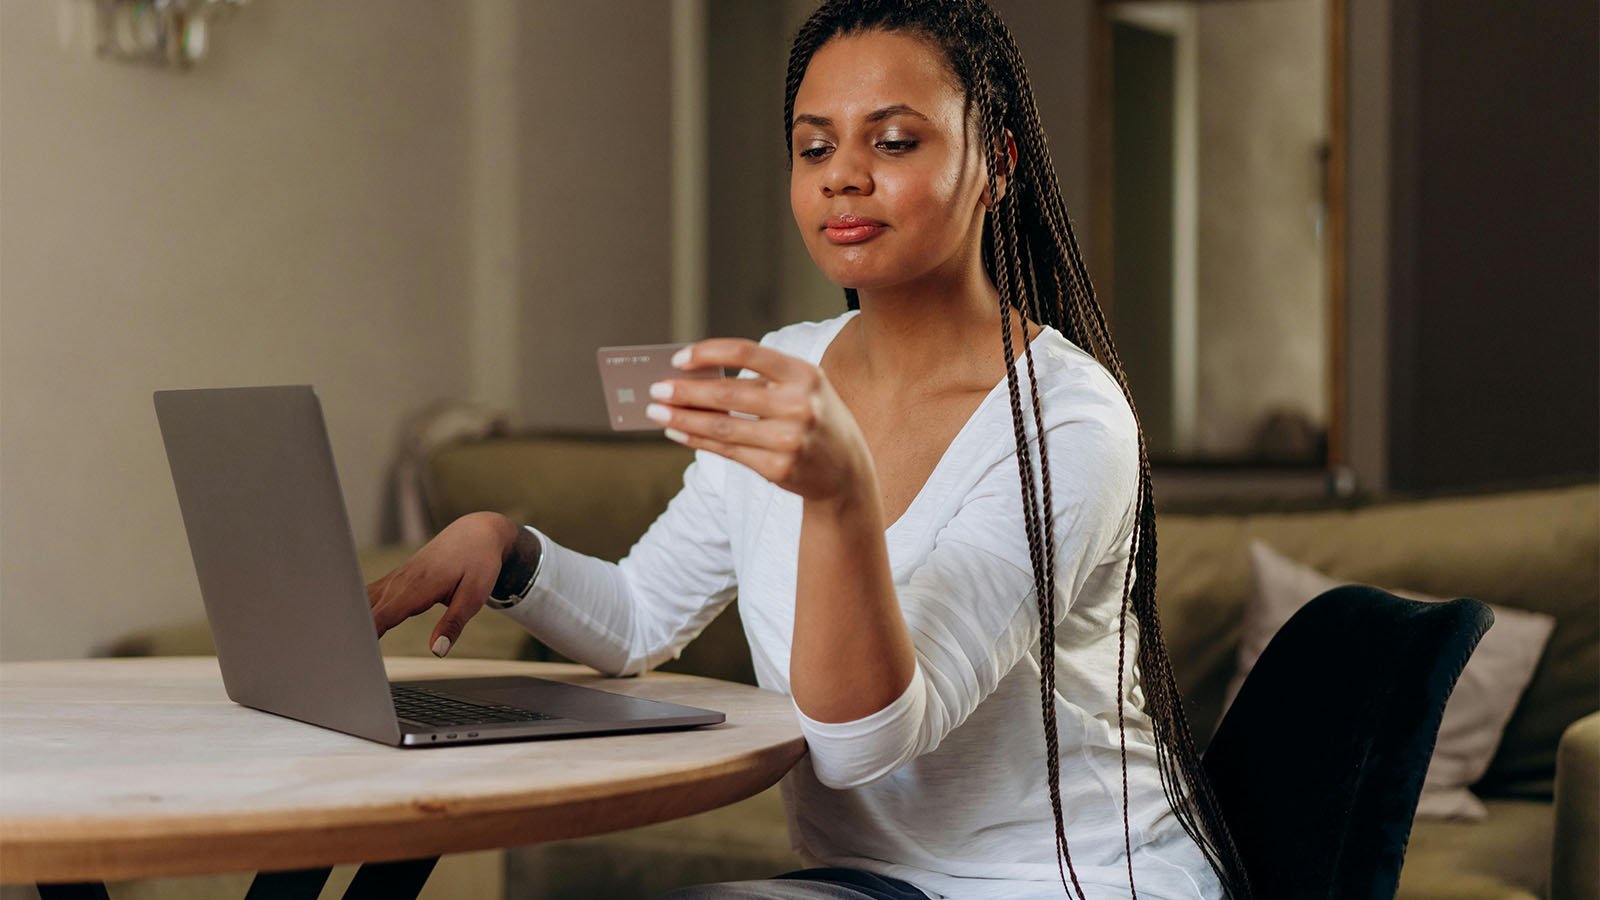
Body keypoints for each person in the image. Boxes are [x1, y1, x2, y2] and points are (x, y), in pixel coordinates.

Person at [367, 1, 1254, 897]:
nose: (845, 178)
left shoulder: (1069, 425)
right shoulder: (784, 371)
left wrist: (838, 500)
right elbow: (640, 618)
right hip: (869, 881)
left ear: (997, 164)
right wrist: (507, 551)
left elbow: (867, 743)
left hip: (1067, 882)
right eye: (816, 147)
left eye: (896, 142)